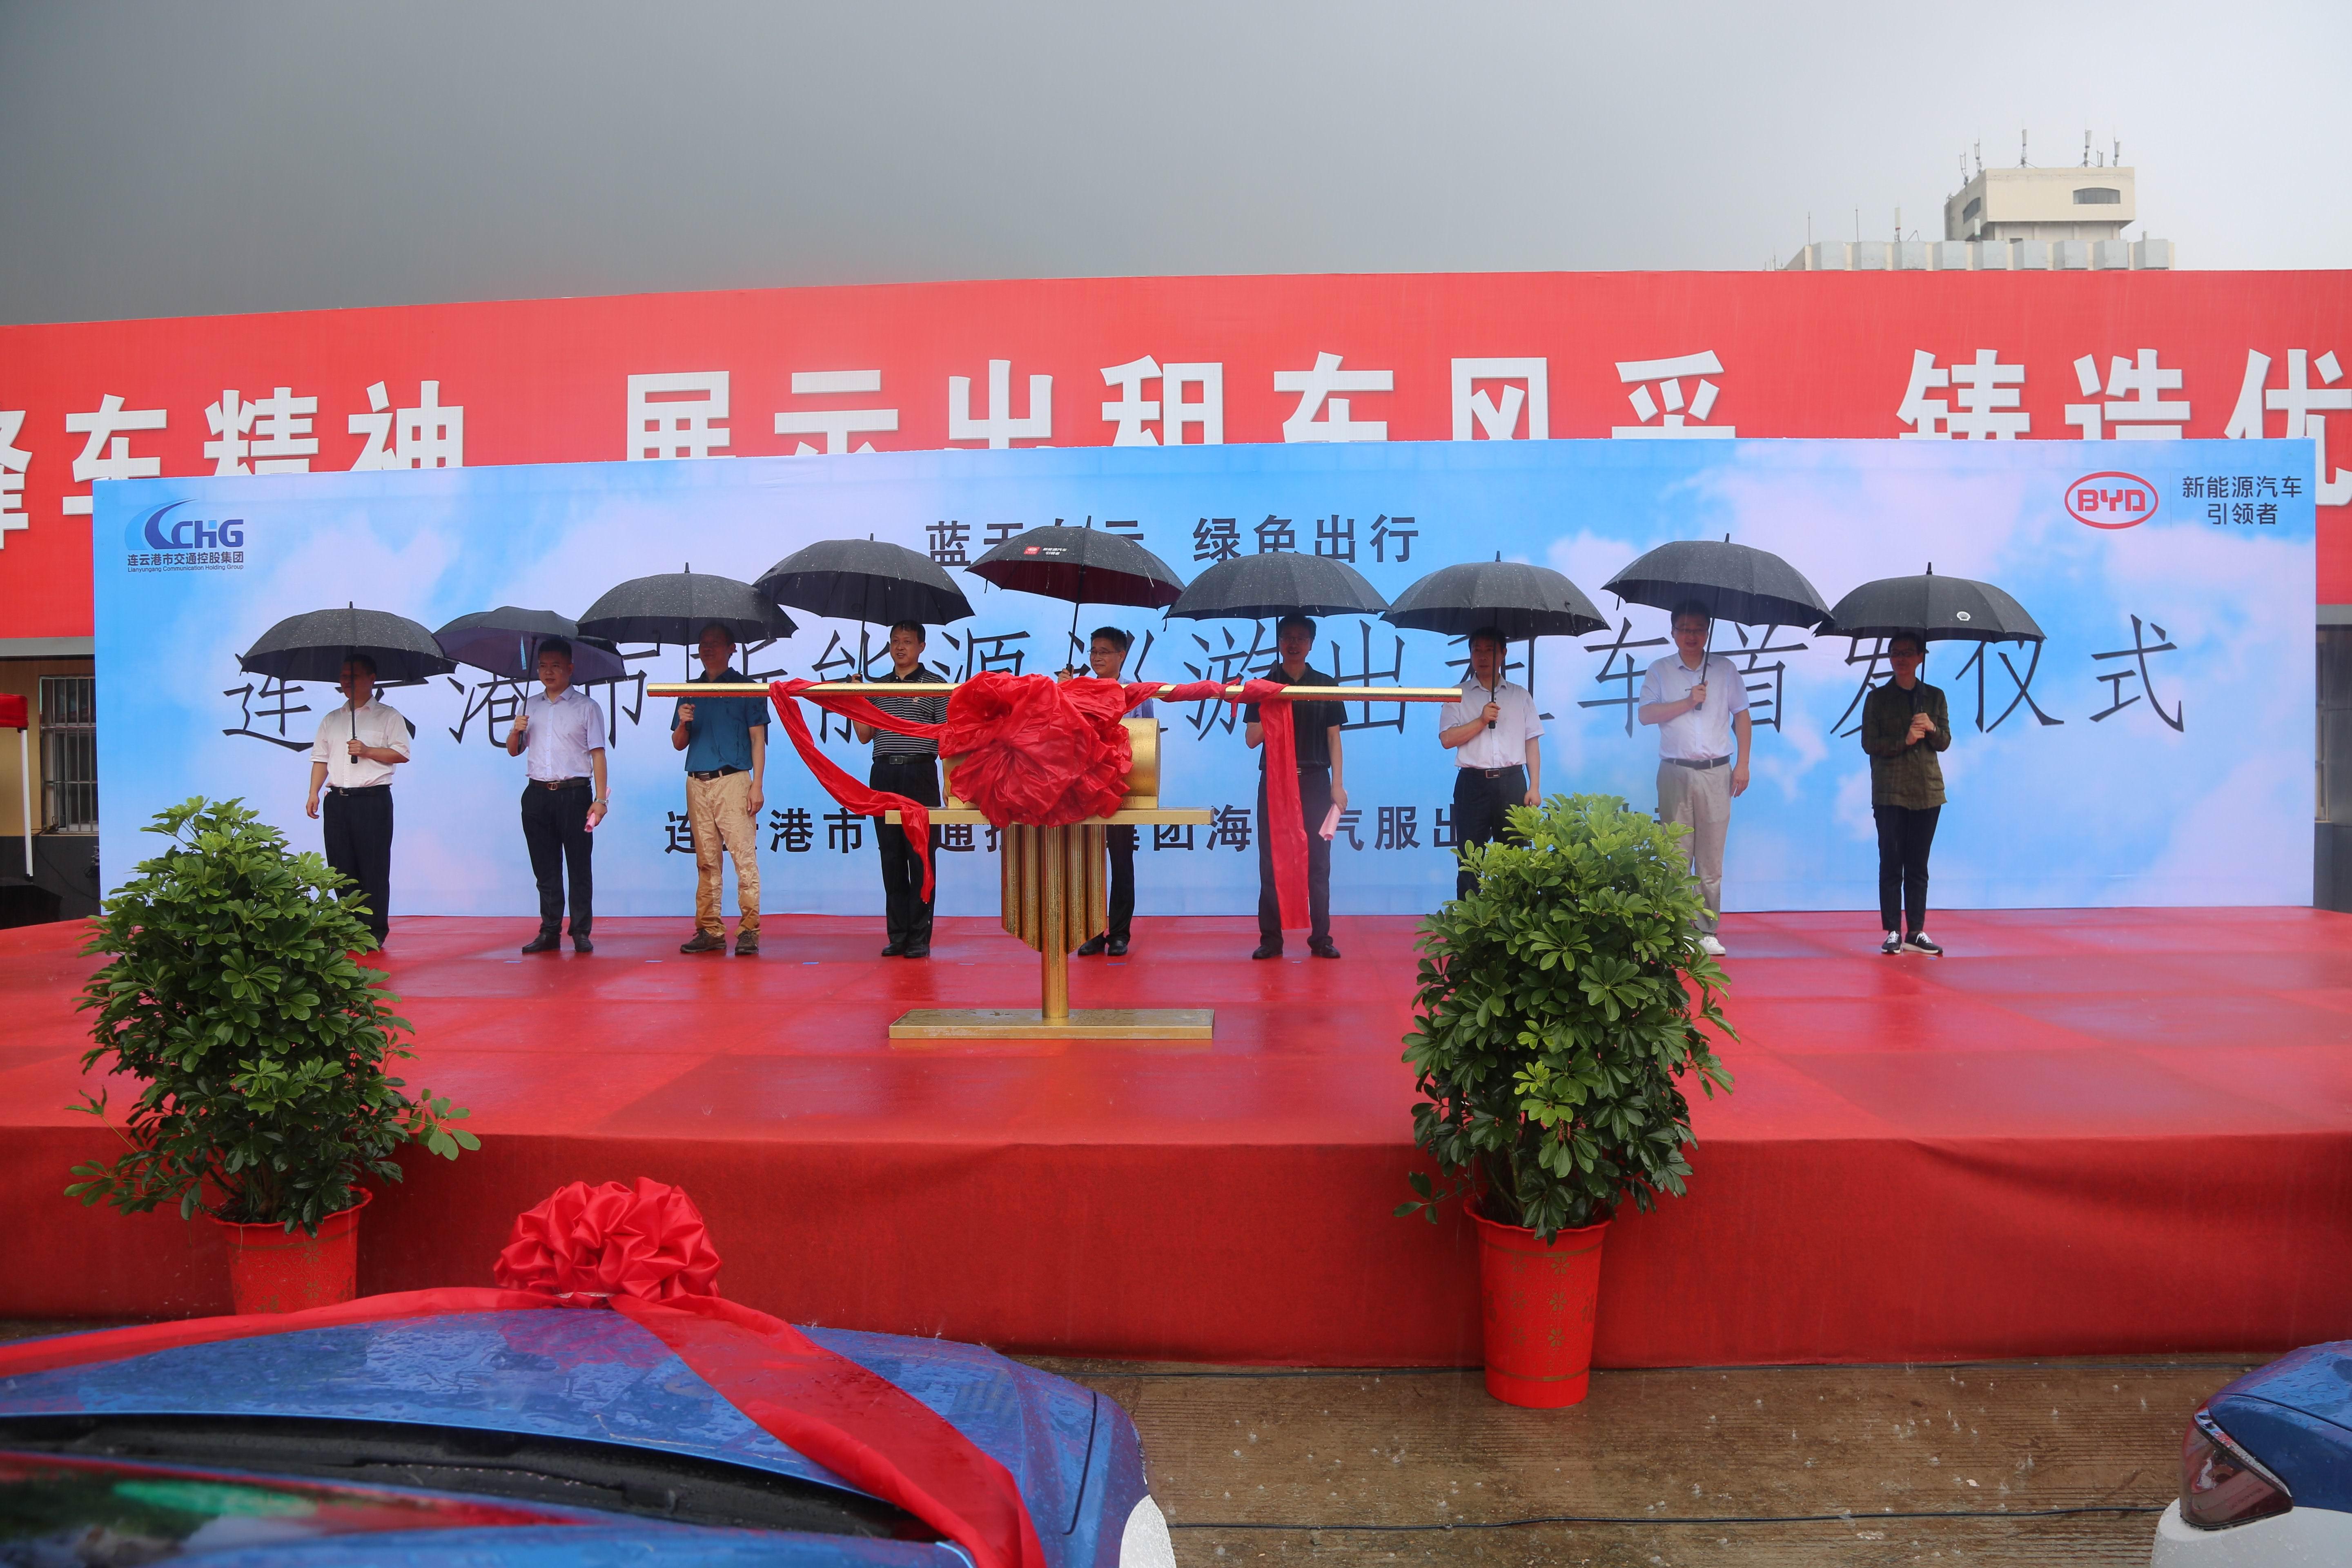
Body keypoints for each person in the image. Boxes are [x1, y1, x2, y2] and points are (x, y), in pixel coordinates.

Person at [1636, 601, 1751, 958]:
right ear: (1673, 632)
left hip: (1717, 772)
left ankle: (1706, 930)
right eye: (1684, 629)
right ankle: (1676, 928)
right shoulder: (1659, 670)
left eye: (1698, 629)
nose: (1691, 636)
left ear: (1707, 633)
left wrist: (1743, 764)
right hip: (1674, 771)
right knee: (1676, 855)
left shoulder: (1725, 670)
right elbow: (1646, 715)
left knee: (1711, 858)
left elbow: (1742, 717)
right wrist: (1688, 702)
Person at [1243, 614, 1348, 960]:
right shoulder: (1263, 685)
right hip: (1276, 782)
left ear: (1311, 645)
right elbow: (1251, 739)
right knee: (1272, 861)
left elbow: (1334, 739)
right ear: (1279, 642)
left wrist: (1338, 785)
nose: (1294, 643)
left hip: (1316, 781)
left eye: (1301, 638)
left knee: (1318, 862)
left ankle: (1321, 938)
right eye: (1288, 637)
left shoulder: (1326, 685)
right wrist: (1274, 704)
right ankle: (1271, 939)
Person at [505, 638, 608, 955]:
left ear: (570, 669)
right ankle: (549, 931)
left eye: (555, 666)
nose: (548, 672)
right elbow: (514, 751)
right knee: (545, 869)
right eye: (543, 666)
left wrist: (601, 800)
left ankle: (580, 932)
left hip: (575, 795)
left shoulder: (587, 707)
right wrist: (515, 730)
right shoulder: (529, 706)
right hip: (537, 795)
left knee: (579, 867)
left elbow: (598, 754)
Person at [670, 624, 766, 957]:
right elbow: (678, 743)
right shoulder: (689, 690)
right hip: (697, 781)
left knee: (743, 857)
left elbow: (758, 739)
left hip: (733, 779)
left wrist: (757, 785)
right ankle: (710, 929)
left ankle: (749, 929)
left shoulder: (746, 688)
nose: (707, 649)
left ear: (731, 649)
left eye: (714, 643)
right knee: (706, 860)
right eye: (703, 644)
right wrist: (683, 721)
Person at [303, 653, 410, 950]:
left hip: (372, 800)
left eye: (354, 676)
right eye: (343, 677)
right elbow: (320, 758)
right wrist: (313, 792)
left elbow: (402, 754)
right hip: (337, 801)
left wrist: (367, 750)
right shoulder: (332, 719)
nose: (347, 682)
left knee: (373, 867)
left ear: (372, 679)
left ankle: (374, 931)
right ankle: (348, 927)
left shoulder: (389, 716)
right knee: (341, 868)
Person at [855, 622, 946, 959]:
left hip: (920, 773)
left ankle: (920, 937)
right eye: (895, 641)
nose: (900, 647)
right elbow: (864, 736)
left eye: (908, 641)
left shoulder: (937, 685)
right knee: (891, 856)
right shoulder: (878, 687)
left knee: (920, 857)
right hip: (884, 774)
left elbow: (946, 737)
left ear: (922, 646)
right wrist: (858, 699)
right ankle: (898, 935)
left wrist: (951, 784)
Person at [1860, 632, 1951, 956]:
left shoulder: (1935, 697)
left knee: (1918, 865)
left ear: (1920, 657)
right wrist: (1905, 739)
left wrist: (1931, 728)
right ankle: (1893, 931)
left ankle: (1916, 931)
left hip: (1927, 791)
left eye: (1908, 653)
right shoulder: (1877, 699)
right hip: (1890, 792)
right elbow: (1870, 744)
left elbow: (1944, 742)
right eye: (1895, 653)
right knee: (1891, 863)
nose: (1901, 659)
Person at [1436, 626, 1544, 900]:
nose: (1483, 656)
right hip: (1472, 785)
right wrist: (1482, 720)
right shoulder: (1457, 694)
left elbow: (1532, 742)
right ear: (1471, 654)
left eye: (1490, 650)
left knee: (1514, 859)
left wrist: (1534, 787)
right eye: (1477, 651)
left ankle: (1512, 921)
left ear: (1503, 654)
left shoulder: (1520, 695)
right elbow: (1447, 739)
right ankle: (1471, 921)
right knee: (1470, 861)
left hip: (1512, 783)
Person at [1067, 625, 1150, 957]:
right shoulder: (1078, 690)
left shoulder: (1136, 694)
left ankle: (1119, 933)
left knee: (1121, 860)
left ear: (1122, 655)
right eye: (1093, 651)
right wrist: (1063, 692)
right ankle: (1090, 931)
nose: (1097, 657)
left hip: (1122, 790)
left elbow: (1146, 741)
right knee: (1088, 860)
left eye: (1105, 652)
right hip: (1085, 788)